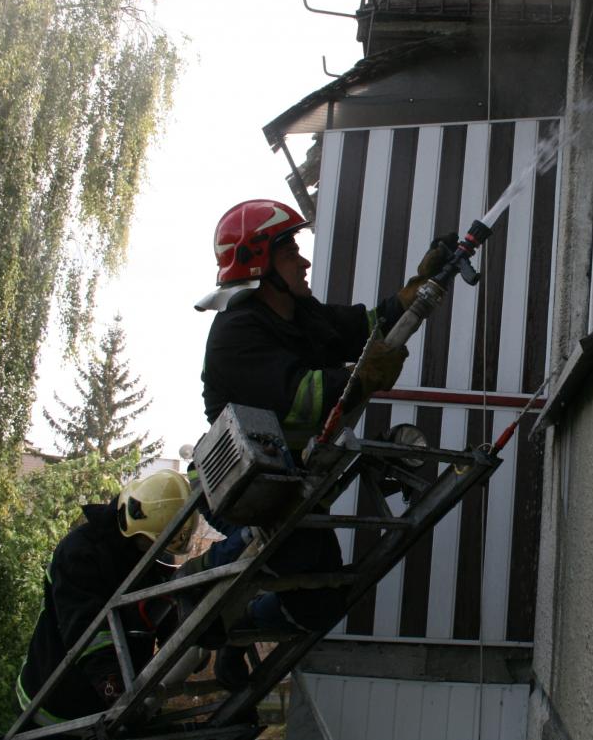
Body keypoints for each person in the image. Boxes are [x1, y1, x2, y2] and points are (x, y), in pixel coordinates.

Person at [188, 199, 449, 689]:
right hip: (237, 495)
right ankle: (203, 582)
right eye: (291, 251)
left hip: (281, 490)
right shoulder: (236, 332)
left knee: (321, 602)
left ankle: (233, 630)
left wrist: (418, 289)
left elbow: (363, 328)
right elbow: (301, 400)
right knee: (310, 591)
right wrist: (359, 379)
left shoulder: (299, 313)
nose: (304, 262)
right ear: (260, 262)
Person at [15, 471, 197, 728]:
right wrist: (114, 687)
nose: (155, 550)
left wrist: (184, 639)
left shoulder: (151, 555)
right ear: (133, 522)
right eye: (150, 542)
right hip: (54, 705)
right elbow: (85, 627)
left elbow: (158, 612)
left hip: (113, 704)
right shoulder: (79, 551)